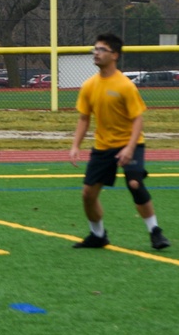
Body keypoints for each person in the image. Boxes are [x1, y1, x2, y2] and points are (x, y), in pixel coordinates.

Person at [69, 32, 171, 250]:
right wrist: (75, 145)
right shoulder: (88, 85)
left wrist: (130, 148)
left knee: (134, 183)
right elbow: (84, 118)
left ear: (114, 55)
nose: (96, 53)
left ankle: (155, 232)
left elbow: (138, 120)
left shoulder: (125, 86)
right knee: (88, 194)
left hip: (130, 143)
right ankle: (98, 235)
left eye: (101, 49)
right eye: (94, 49)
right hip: (103, 146)